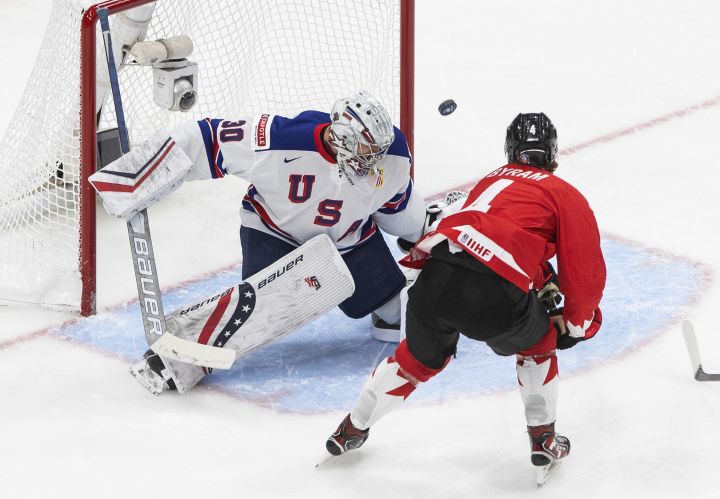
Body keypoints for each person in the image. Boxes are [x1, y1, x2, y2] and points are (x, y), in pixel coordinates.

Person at [324, 113, 606, 478]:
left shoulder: (490, 181)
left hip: (435, 274)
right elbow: (585, 273)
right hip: (493, 294)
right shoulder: (564, 194)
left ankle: (352, 428)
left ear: (510, 151)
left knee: (414, 361)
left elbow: (489, 236)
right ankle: (543, 439)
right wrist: (577, 326)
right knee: (539, 344)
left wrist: (541, 279)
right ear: (552, 154)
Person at [92, 91, 429, 393]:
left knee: (394, 311)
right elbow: (204, 138)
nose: (373, 162)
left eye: (377, 152)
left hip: (346, 241)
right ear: (340, 138)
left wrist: (422, 236)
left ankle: (387, 305)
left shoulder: (393, 158)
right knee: (259, 307)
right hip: (273, 234)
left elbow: (397, 206)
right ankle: (179, 358)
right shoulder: (278, 140)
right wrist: (134, 177)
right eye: (365, 151)